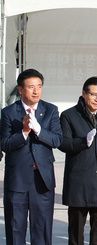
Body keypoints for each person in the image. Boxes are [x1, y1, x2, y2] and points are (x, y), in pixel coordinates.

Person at [0, 68, 63, 245]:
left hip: (42, 180)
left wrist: (39, 130)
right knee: (15, 228)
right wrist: (25, 132)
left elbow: (57, 139)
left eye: (39, 86)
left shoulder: (50, 110)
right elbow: (4, 143)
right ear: (20, 89)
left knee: (42, 229)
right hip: (18, 179)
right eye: (31, 87)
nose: (36, 91)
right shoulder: (8, 112)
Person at [59, 76, 97, 245]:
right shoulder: (69, 115)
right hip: (79, 183)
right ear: (84, 94)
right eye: (93, 94)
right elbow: (62, 143)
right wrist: (82, 142)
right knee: (76, 234)